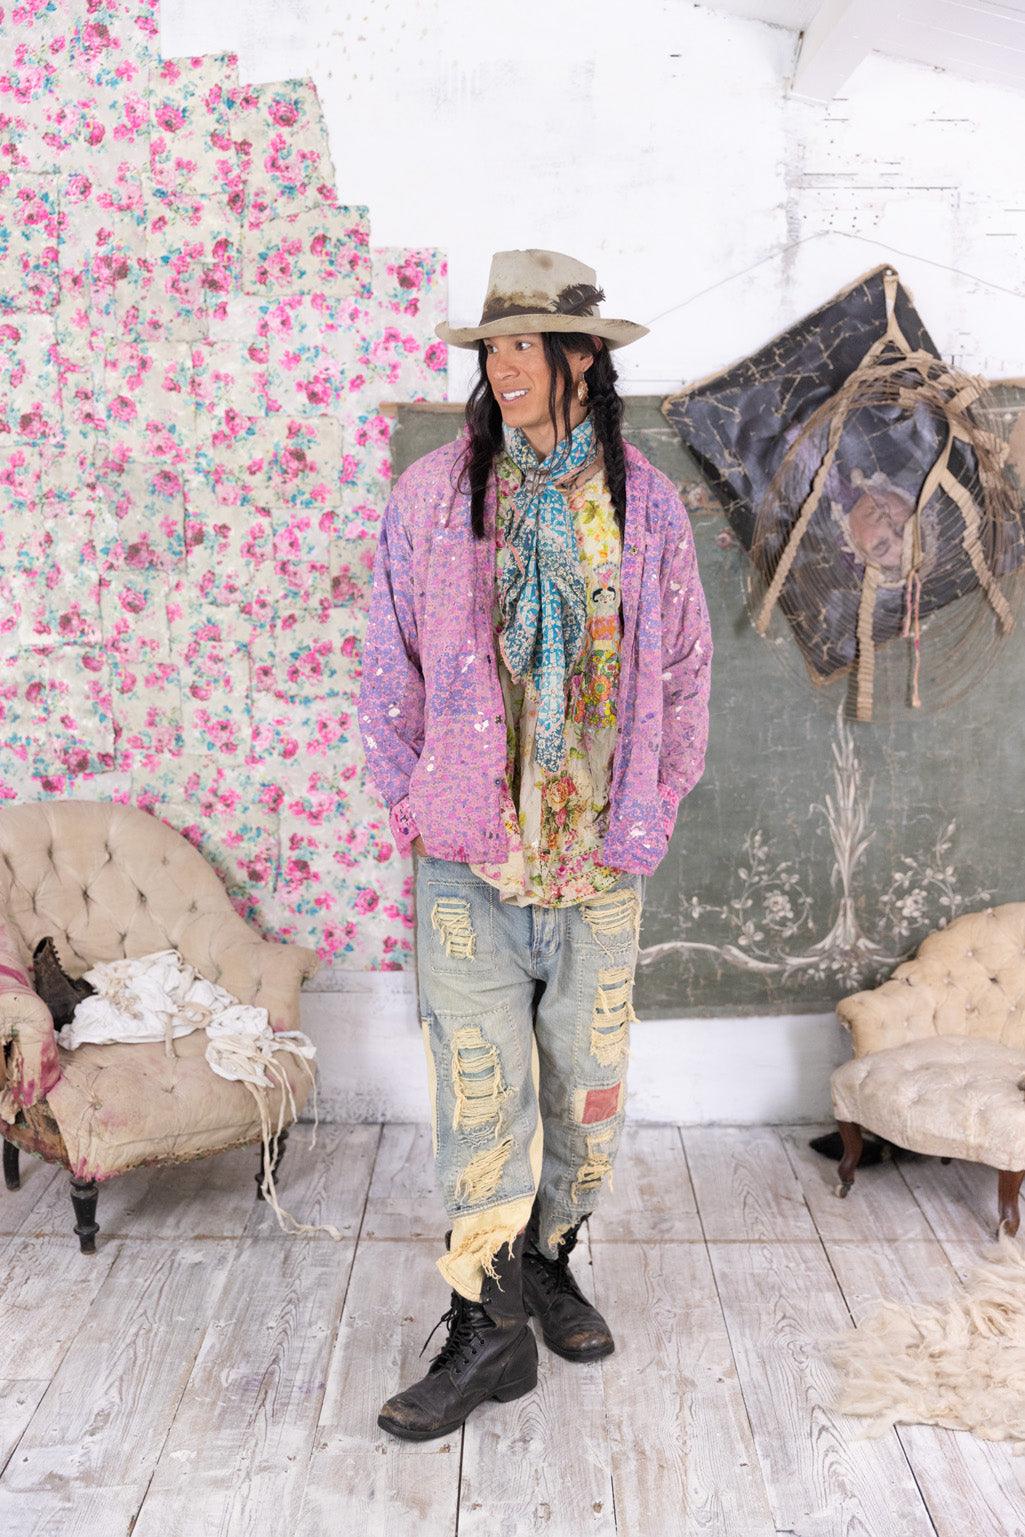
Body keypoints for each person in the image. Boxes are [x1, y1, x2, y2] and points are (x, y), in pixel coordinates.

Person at [357, 248, 712, 1441]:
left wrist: (649, 812)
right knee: (477, 1099)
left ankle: (549, 1259)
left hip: (600, 862)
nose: (502, 366)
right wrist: (418, 806)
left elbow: (683, 670)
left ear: (581, 361)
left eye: (525, 345)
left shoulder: (646, 507)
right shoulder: (432, 496)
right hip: (468, 861)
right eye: (489, 347)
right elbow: (386, 665)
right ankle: (483, 1320)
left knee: (585, 1093)